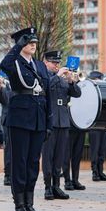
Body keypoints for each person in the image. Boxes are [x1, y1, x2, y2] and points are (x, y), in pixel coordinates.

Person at [0, 27, 51, 211]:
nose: (32, 44)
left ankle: (29, 204)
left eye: (34, 41)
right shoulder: (14, 62)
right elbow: (4, 65)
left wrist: (48, 122)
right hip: (20, 118)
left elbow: (48, 94)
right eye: (28, 41)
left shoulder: (40, 65)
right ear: (20, 43)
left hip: (38, 118)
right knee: (19, 163)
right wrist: (17, 46)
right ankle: (19, 206)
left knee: (32, 163)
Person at [42, 50, 81, 200]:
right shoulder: (44, 76)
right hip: (50, 121)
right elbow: (46, 89)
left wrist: (71, 80)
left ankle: (56, 186)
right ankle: (47, 187)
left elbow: (77, 93)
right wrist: (58, 76)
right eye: (54, 63)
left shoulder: (63, 79)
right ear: (46, 62)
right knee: (48, 156)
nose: (56, 65)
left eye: (58, 63)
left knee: (60, 155)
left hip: (63, 121)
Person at [87, 70, 106, 182]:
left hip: (103, 124)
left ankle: (100, 171)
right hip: (94, 126)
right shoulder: (89, 93)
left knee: (102, 149)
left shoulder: (102, 93)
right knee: (95, 150)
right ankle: (94, 171)